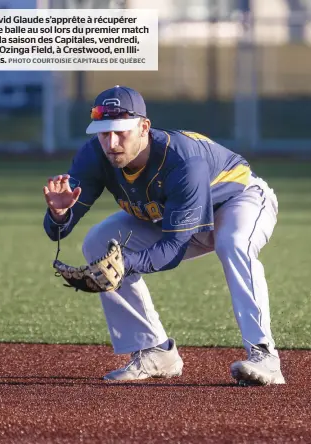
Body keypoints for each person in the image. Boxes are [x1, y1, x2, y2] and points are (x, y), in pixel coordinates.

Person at [43, 85, 285, 385]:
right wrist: (59, 215)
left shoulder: (182, 161)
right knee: (97, 242)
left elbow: (173, 248)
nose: (112, 142)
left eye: (121, 132)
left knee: (233, 243)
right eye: (104, 133)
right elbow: (58, 229)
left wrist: (125, 263)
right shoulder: (95, 156)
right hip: (166, 212)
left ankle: (264, 355)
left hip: (237, 200)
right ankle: (155, 351)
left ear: (144, 127)